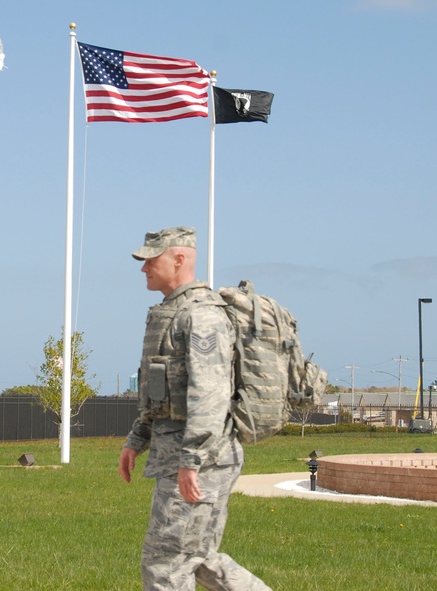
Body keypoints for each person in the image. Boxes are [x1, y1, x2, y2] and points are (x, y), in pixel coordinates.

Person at [117, 226, 271, 591]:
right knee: (198, 557)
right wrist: (137, 438)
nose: (144, 269)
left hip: (201, 459)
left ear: (179, 258)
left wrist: (191, 461)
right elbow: (163, 389)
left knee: (165, 564)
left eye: (151, 261)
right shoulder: (172, 312)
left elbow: (210, 394)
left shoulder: (201, 316)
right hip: (186, 455)